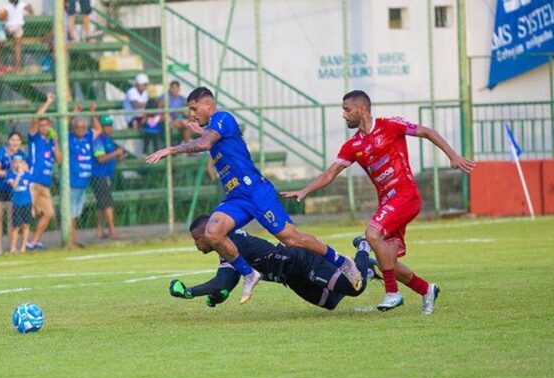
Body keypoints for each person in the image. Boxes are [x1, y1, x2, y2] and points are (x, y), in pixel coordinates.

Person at [146, 87, 361, 304]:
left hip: (255, 191)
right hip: (236, 197)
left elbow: (204, 144)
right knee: (213, 233)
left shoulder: (222, 117)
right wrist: (201, 131)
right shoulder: (214, 129)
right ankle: (250, 274)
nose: (192, 114)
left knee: (292, 239)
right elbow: (215, 140)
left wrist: (170, 150)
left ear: (208, 105)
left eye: (194, 108)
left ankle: (343, 262)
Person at [281, 90, 476, 314]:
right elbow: (330, 173)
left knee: (372, 234)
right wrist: (305, 190)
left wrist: (453, 156)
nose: (343, 115)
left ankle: (392, 293)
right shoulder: (352, 146)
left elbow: (426, 131)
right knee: (388, 263)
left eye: (347, 109)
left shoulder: (390, 125)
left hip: (406, 196)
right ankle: (426, 289)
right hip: (387, 204)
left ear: (362, 109)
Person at [170, 215, 378, 309]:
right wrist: (216, 298)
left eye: (197, 238)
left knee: (354, 289)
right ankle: (367, 271)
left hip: (302, 262)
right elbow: (227, 284)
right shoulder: (227, 247)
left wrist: (189, 292)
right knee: (330, 303)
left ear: (209, 232)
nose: (196, 243)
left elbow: (222, 282)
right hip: (292, 278)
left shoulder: (233, 242)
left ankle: (363, 248)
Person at [26, 93, 60, 250]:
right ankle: (20, 244)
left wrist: (56, 141)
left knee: (48, 213)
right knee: (27, 213)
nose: (45, 127)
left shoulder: (50, 142)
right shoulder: (35, 138)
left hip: (45, 184)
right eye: (42, 125)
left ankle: (34, 241)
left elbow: (59, 159)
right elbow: (35, 119)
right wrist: (48, 102)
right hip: (33, 181)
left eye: (47, 125)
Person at [0, 131, 26, 255]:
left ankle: (12, 247)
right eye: (12, 139)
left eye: (17, 140)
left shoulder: (21, 154)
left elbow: (25, 170)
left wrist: (17, 173)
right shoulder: (2, 151)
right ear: (8, 141)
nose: (14, 143)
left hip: (12, 188)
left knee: (11, 217)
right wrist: (9, 173)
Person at [90, 108, 123, 239]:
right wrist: (116, 153)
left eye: (110, 125)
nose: (109, 128)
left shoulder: (108, 140)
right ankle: (112, 230)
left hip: (106, 175)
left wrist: (118, 156)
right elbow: (100, 158)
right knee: (108, 203)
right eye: (106, 126)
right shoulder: (98, 140)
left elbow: (109, 156)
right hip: (99, 175)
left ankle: (99, 230)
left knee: (101, 204)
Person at [67, 114, 97, 248]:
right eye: (78, 127)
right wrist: (73, 113)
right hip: (72, 182)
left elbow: (98, 129)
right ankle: (70, 240)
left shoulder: (88, 138)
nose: (81, 130)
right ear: (73, 128)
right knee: (70, 213)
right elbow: (65, 125)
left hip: (84, 183)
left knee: (76, 213)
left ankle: (73, 238)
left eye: (83, 127)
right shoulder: (69, 138)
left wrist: (92, 114)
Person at [6, 156, 32, 253]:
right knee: (16, 226)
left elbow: (31, 190)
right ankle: (13, 247)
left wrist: (32, 206)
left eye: (20, 162)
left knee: (26, 225)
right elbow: (14, 185)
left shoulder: (28, 175)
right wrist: (19, 175)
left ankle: (23, 247)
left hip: (27, 203)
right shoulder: (11, 175)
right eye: (15, 162)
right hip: (17, 204)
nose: (18, 164)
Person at [0, 0, 32, 70]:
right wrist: (30, 8)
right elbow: (30, 11)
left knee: (1, 30)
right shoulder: (21, 4)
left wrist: (2, 17)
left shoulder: (7, 6)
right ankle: (18, 66)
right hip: (18, 27)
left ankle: (3, 41)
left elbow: (2, 17)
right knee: (17, 47)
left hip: (9, 27)